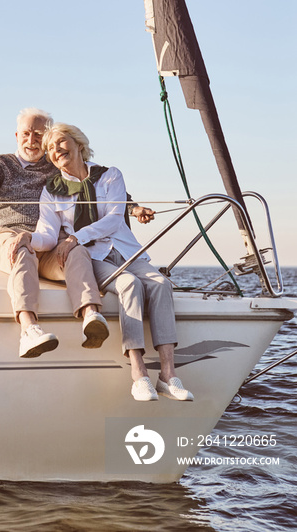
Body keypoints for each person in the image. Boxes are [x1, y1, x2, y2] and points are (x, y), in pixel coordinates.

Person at [0, 108, 152, 359]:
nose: (31, 141)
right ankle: (28, 330)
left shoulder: (55, 166)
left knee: (77, 249)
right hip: (10, 235)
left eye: (38, 135)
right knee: (23, 250)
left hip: (48, 241)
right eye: (26, 134)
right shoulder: (2, 165)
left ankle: (91, 314)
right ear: (17, 135)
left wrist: (133, 208)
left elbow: (94, 185)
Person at [11, 122, 193, 402]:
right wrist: (28, 239)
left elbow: (114, 218)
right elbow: (47, 235)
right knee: (129, 285)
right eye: (50, 148)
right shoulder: (52, 191)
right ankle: (139, 374)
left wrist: (76, 236)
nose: (56, 150)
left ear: (78, 144)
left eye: (61, 142)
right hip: (94, 256)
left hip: (126, 251)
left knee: (160, 284)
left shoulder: (110, 176)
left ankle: (168, 375)